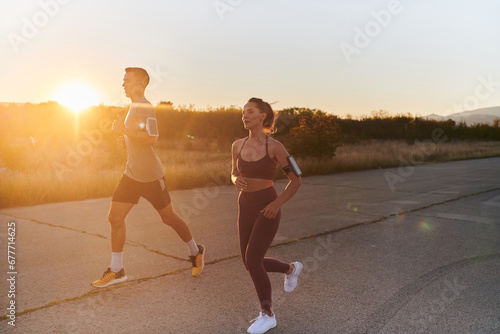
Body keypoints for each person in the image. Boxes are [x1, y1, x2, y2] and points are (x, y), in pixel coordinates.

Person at [91, 67, 205, 287]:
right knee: (114, 218)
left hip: (151, 176)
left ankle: (195, 251)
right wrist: (127, 140)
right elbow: (139, 136)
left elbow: (152, 138)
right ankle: (117, 270)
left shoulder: (145, 107)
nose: (123, 84)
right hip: (132, 174)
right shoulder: (133, 107)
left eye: (127, 80)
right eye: (123, 80)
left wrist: (124, 130)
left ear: (140, 84)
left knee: (169, 218)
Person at [231, 97, 303, 334]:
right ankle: (290, 269)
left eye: (250, 112)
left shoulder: (275, 147)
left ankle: (267, 314)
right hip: (245, 205)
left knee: (253, 260)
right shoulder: (237, 145)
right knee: (249, 262)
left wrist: (277, 203)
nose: (245, 115)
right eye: (243, 112)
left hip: (267, 205)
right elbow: (233, 173)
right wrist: (235, 179)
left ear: (263, 116)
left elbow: (296, 179)